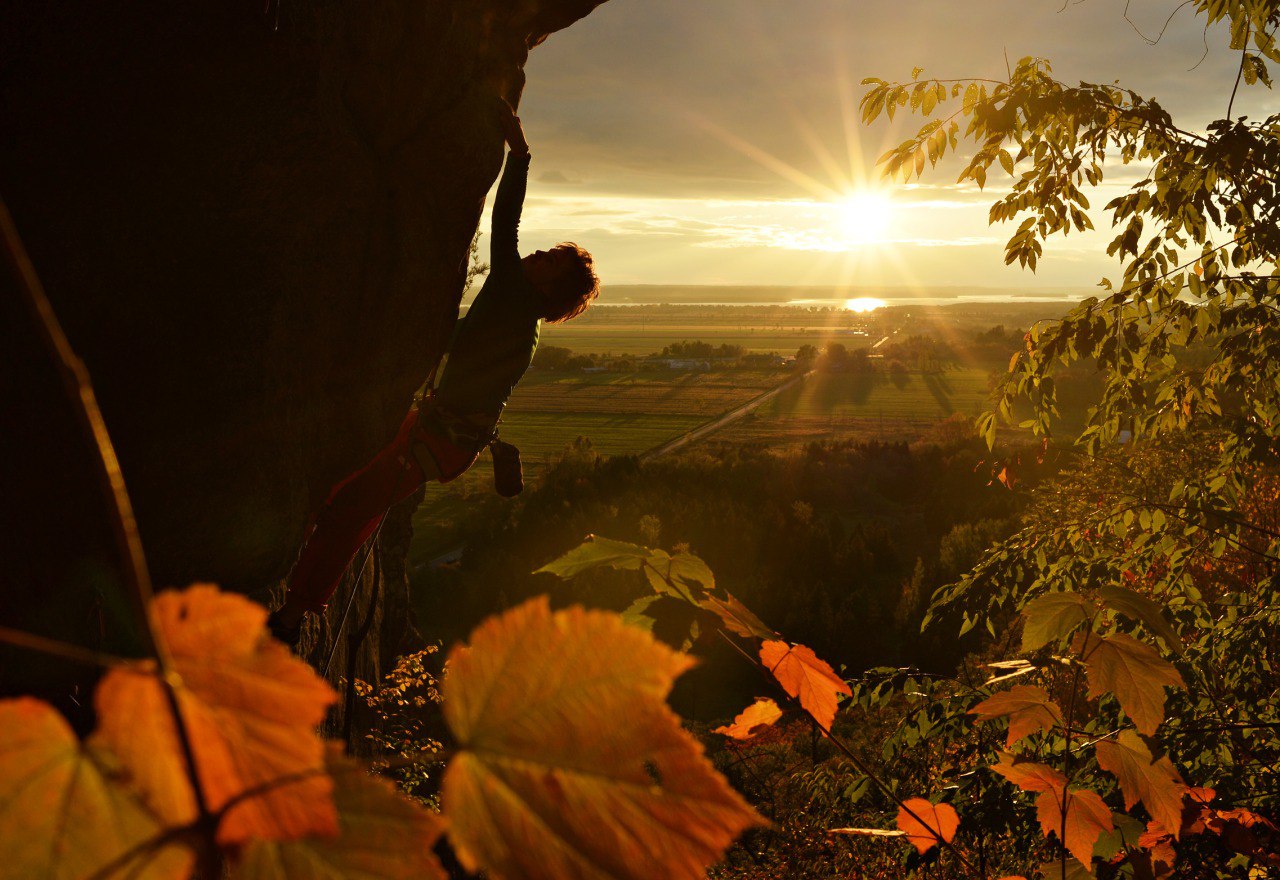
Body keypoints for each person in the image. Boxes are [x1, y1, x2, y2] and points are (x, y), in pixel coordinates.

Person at [268, 101, 599, 645]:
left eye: (547, 260)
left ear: (547, 288)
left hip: (440, 435)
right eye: (544, 252)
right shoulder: (523, 316)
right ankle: (297, 599)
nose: (535, 254)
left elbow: (505, 223)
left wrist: (520, 154)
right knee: (354, 496)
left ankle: (292, 614)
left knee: (351, 503)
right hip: (444, 434)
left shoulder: (515, 298)